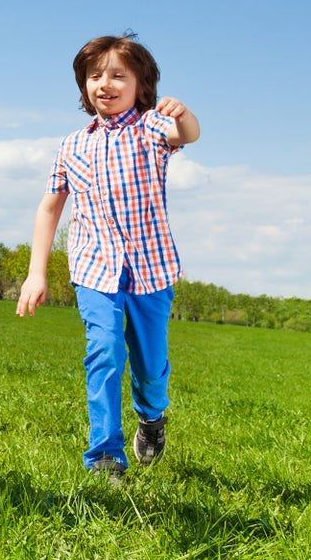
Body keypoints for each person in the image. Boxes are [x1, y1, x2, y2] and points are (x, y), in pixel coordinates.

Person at [16, 35, 199, 480]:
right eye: (95, 75)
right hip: (94, 268)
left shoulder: (152, 127)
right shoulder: (72, 145)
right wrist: (36, 273)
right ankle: (105, 455)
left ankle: (151, 417)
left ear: (141, 85)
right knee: (105, 351)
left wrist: (183, 114)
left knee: (151, 366)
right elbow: (49, 208)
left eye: (118, 75)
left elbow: (188, 134)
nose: (105, 84)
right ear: (84, 86)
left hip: (151, 268)